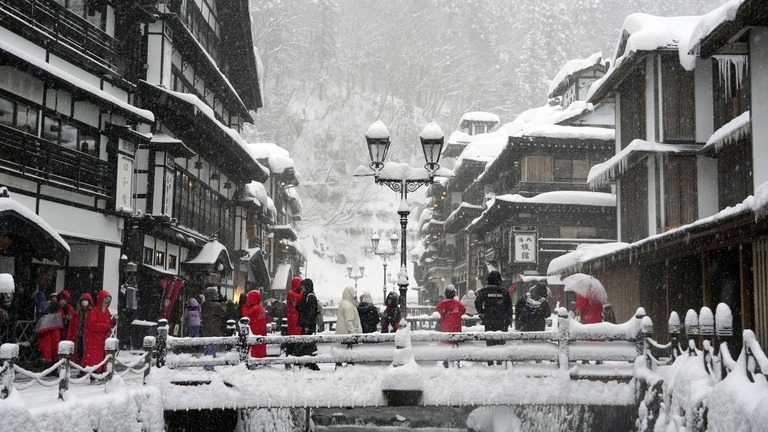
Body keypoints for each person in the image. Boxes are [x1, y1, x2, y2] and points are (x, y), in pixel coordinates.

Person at [474, 270, 513, 363]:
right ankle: (500, 362)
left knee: (490, 343)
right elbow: (509, 307)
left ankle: (490, 363)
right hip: (502, 321)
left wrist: (482, 313)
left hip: (489, 320)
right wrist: (508, 319)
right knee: (501, 344)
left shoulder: (484, 291)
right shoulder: (504, 291)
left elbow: (477, 303)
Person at [82, 291, 116, 372]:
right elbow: (92, 325)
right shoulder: (94, 311)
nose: (106, 304)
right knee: (94, 358)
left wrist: (113, 322)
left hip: (102, 340)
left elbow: (107, 323)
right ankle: (94, 372)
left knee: (100, 357)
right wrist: (106, 326)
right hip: (94, 339)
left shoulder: (106, 312)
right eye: (105, 301)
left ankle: (100, 371)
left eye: (108, 302)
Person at [295, 279, 319, 370]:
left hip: (307, 325)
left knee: (307, 343)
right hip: (306, 324)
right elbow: (305, 310)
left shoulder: (310, 297)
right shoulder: (307, 295)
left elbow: (310, 312)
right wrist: (296, 307)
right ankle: (309, 362)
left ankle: (310, 363)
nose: (302, 288)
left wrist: (307, 326)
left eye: (303, 286)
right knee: (307, 343)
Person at [201, 287, 226, 369]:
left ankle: (206, 364)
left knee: (208, 347)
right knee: (213, 347)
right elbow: (223, 313)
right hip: (215, 328)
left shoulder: (204, 304)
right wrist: (223, 304)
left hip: (206, 328)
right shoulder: (217, 305)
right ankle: (210, 366)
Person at [242, 290, 267, 359]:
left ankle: (255, 360)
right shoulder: (260, 307)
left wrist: (245, 306)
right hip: (261, 331)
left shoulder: (254, 308)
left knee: (255, 349)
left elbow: (245, 315)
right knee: (260, 347)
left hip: (255, 331)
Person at [69, 293, 93, 365]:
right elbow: (73, 325)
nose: (84, 302)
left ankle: (83, 366)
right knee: (79, 351)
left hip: (87, 336)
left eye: (85, 300)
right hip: (79, 335)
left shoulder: (92, 312)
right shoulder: (77, 313)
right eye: (83, 300)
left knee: (86, 351)